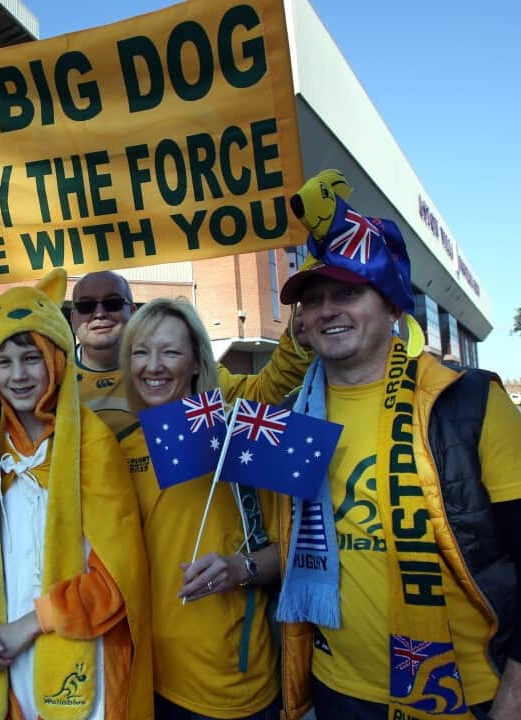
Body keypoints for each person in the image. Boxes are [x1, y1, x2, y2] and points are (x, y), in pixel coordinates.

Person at [275, 171, 521, 720]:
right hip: (336, 692)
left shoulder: (468, 403)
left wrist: (519, 701)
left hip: (467, 696)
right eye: (313, 299)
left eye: (349, 292)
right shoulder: (297, 415)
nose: (326, 310)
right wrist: (241, 567)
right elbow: (302, 545)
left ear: (392, 305)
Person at [0, 269, 153, 720]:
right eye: (4, 362)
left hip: (87, 665)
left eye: (32, 358)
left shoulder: (93, 444)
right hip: (8, 665)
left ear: (57, 358)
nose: (18, 375)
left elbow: (116, 579)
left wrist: (30, 625)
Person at [118, 297, 311, 720]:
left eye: (169, 351)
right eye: (140, 352)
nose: (153, 366)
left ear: (194, 363)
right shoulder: (118, 451)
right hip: (142, 680)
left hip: (232, 689)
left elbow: (300, 549)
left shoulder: (238, 436)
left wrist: (239, 568)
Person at [71, 270, 138, 434]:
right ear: (72, 319)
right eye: (86, 306)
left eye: (113, 303)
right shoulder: (52, 378)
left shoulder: (157, 369)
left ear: (133, 313)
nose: (99, 314)